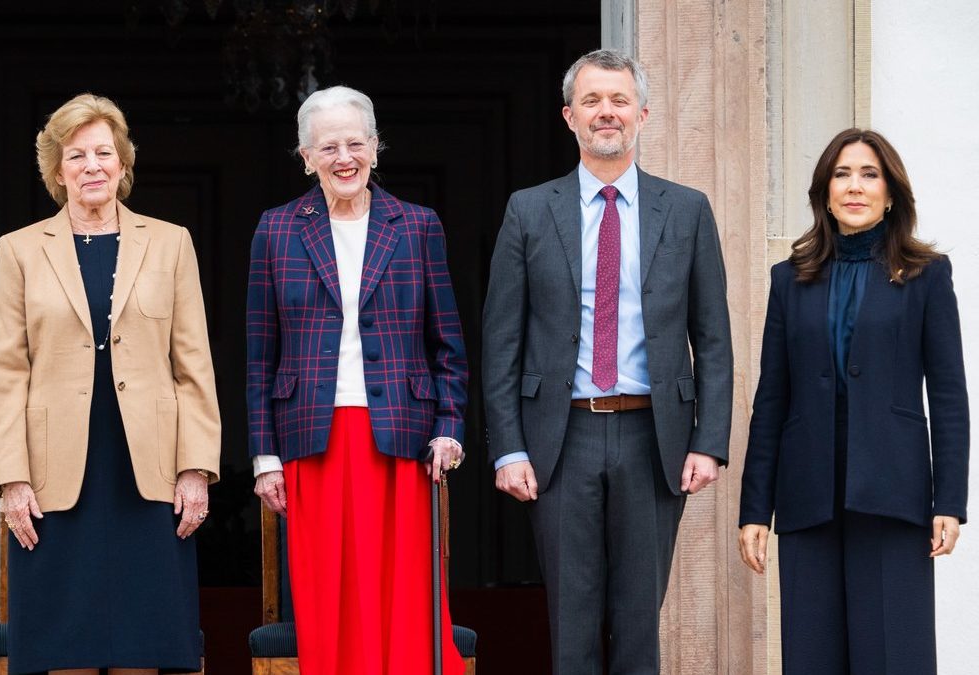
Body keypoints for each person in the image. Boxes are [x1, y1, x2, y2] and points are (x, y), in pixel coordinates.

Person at [482, 49, 733, 674]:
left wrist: (708, 442)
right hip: (560, 438)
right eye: (591, 100)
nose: (606, 112)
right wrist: (508, 448)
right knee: (571, 620)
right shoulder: (528, 210)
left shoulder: (688, 209)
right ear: (569, 116)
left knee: (639, 618)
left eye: (620, 100)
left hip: (655, 437)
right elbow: (502, 339)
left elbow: (713, 336)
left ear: (642, 114)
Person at [0, 93, 221, 674]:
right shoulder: (18, 250)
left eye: (104, 153)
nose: (92, 166)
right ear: (57, 170)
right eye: (77, 155)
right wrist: (11, 477)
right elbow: (6, 372)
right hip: (54, 478)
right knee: (66, 646)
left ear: (123, 162)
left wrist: (195, 467)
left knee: (143, 644)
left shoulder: (171, 242)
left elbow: (193, 365)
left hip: (149, 474)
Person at [246, 85, 468, 675]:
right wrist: (264, 457)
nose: (343, 158)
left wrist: (450, 428)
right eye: (328, 147)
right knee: (329, 601)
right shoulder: (277, 229)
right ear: (306, 158)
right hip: (311, 442)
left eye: (355, 143)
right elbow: (260, 355)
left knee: (403, 602)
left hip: (403, 440)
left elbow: (447, 343)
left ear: (375, 146)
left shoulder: (417, 226)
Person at [738, 128, 969, 674]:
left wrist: (949, 500)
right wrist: (755, 508)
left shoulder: (926, 275)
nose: (855, 186)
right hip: (807, 494)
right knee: (811, 656)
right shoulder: (790, 279)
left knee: (894, 657)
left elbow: (948, 395)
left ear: (890, 194)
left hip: (894, 493)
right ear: (825, 193)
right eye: (842, 175)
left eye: (869, 174)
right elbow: (772, 398)